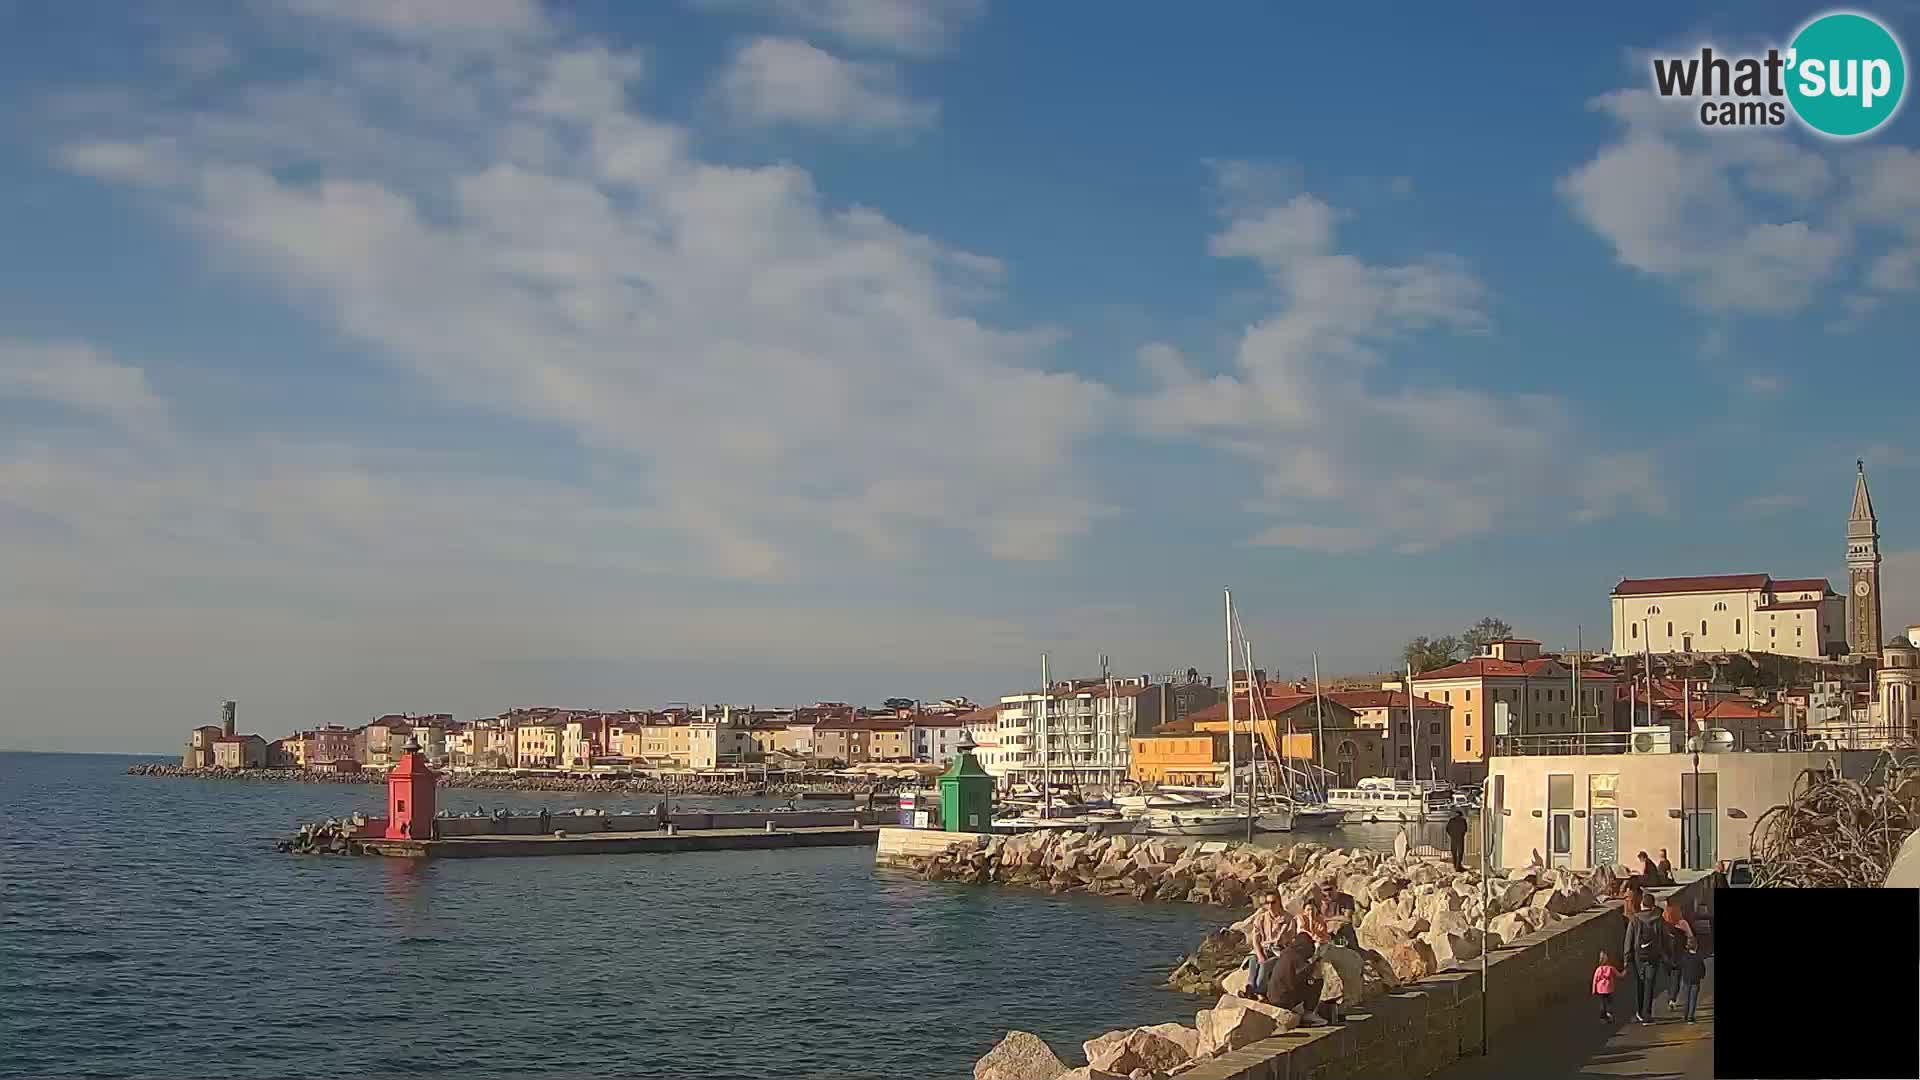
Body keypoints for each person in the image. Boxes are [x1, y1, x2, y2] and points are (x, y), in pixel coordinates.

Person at [1238, 891, 1294, 1002]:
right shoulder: (1261, 919)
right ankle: (1250, 988)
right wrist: (1260, 955)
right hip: (1264, 949)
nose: (1270, 906)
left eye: (1273, 902)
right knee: (1253, 959)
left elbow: (1289, 940)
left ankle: (1258, 991)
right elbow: (1256, 940)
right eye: (1267, 903)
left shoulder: (1288, 919)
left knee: (1264, 966)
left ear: (1279, 902)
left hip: (1279, 951)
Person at [1623, 895, 1666, 1023]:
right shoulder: (1659, 919)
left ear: (1642, 904)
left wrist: (1626, 958)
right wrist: (1666, 955)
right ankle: (1647, 1014)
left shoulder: (1635, 920)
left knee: (1640, 983)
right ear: (1652, 905)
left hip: (1638, 956)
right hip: (1654, 956)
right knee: (1650, 984)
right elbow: (1664, 938)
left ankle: (1640, 1012)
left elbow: (1628, 939)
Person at [1674, 934, 1707, 1023]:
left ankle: (1685, 1015)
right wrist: (1701, 976)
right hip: (1696, 980)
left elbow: (1680, 965)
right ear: (1696, 945)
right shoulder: (1699, 957)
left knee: (1686, 999)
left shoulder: (1684, 956)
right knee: (1693, 999)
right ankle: (1690, 1017)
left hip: (1686, 980)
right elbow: (1702, 968)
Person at [1593, 949, 1623, 1022]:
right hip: (1609, 988)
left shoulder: (1598, 969)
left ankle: (1602, 1017)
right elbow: (1619, 975)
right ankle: (1609, 1014)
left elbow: (1595, 980)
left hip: (1600, 989)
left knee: (1602, 1002)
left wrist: (1593, 990)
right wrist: (1624, 972)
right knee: (1609, 1002)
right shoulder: (1611, 968)